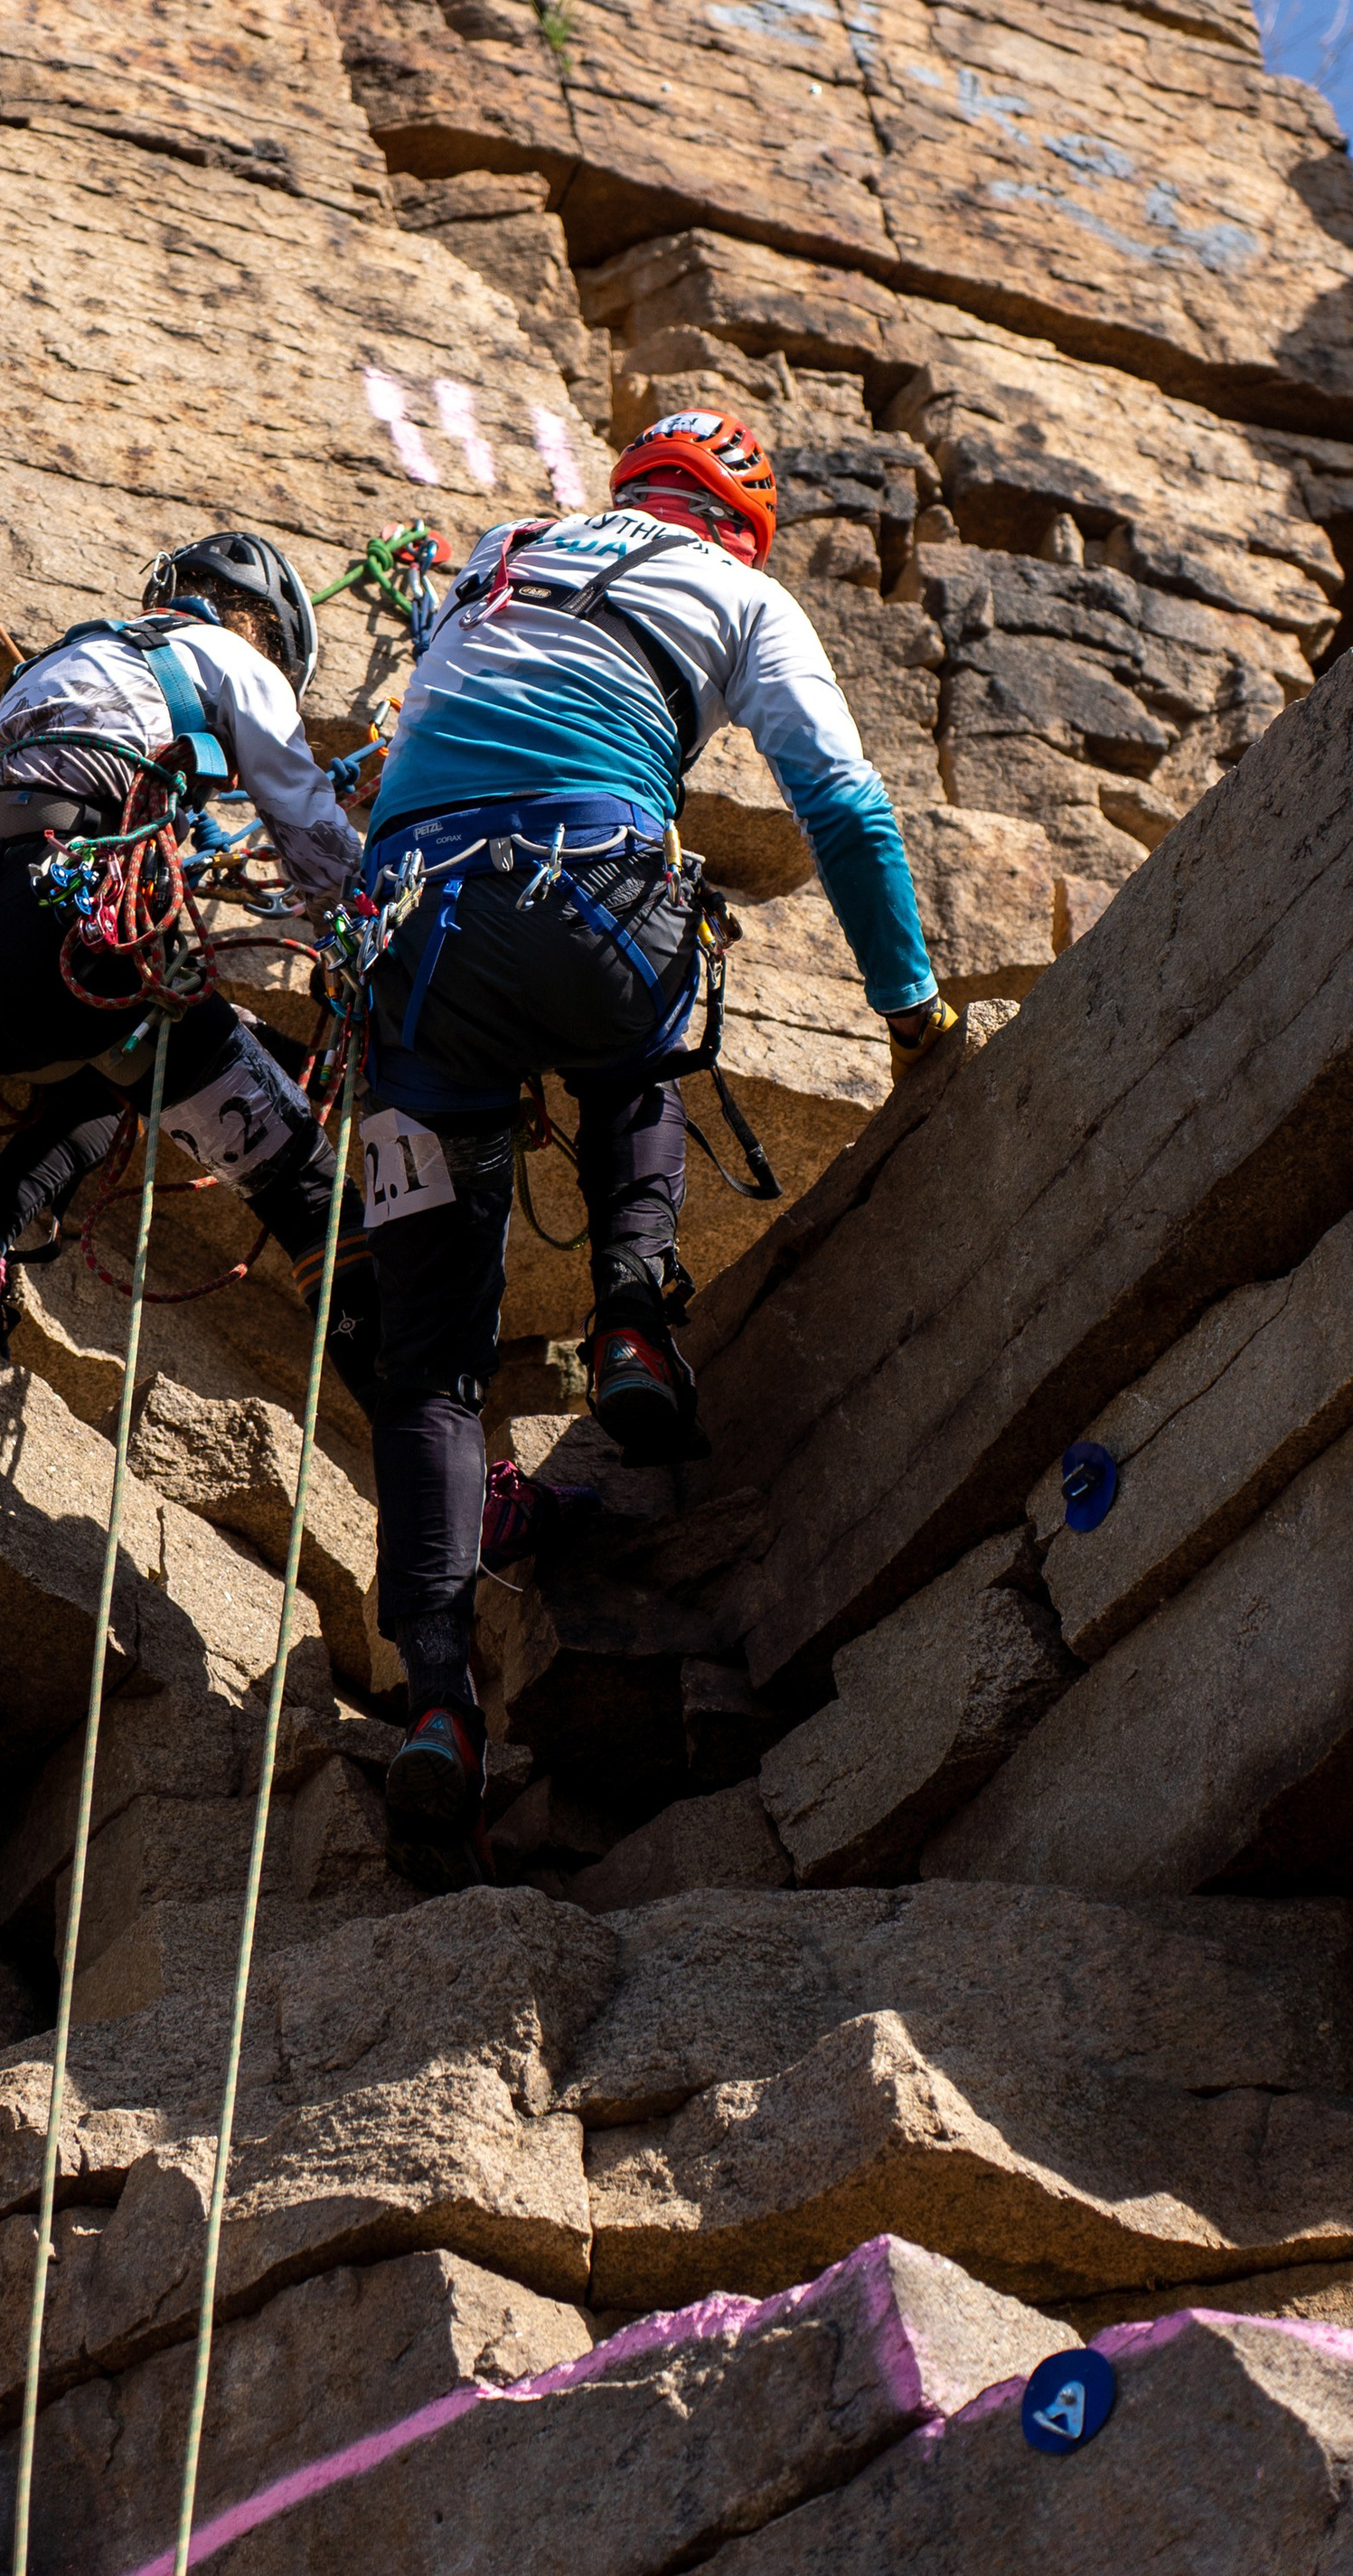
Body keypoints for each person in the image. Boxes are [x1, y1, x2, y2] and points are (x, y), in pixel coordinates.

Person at [356, 409, 954, 1890]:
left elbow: (417, 718)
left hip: (412, 945)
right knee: (643, 1025)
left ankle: (436, 1695)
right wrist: (912, 1011)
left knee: (425, 1357)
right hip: (592, 897)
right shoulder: (746, 596)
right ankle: (632, 1320)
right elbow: (845, 806)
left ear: (632, 490)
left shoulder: (499, 555)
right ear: (740, 522)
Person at [0, 530, 377, 1397]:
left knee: (126, 1073)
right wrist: (375, 946)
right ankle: (435, 1459)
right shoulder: (233, 662)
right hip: (68, 949)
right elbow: (308, 825)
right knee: (310, 1189)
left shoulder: (65, 657)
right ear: (263, 627)